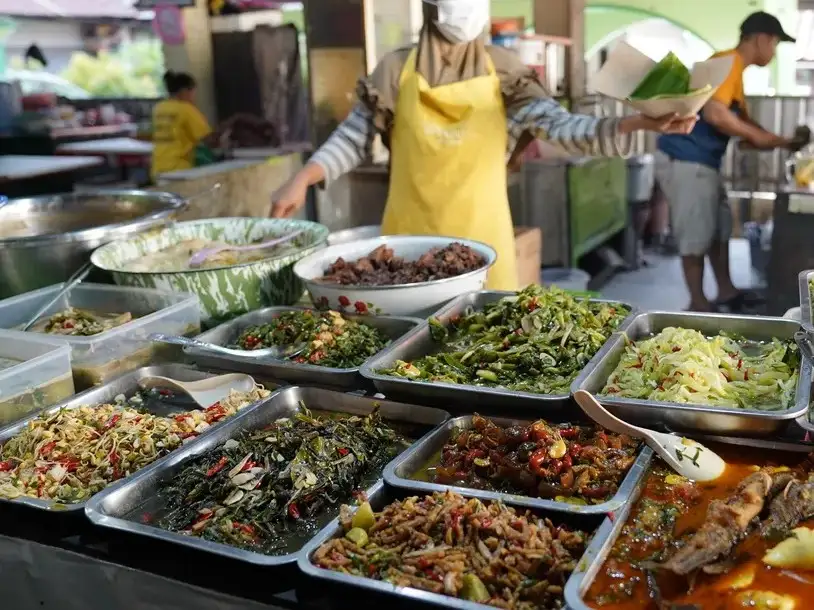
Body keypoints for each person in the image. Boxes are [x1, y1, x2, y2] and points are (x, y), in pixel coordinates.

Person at [270, 0, 695, 290]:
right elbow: (351, 138)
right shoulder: (395, 70)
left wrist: (638, 121)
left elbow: (562, 128)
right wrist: (304, 178)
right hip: (403, 254)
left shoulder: (505, 70)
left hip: (485, 250)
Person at [655, 11, 796, 312]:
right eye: (774, 44)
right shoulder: (725, 62)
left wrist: (782, 141)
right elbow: (715, 115)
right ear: (761, 39)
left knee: (719, 229)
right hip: (685, 159)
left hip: (704, 162)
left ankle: (726, 292)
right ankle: (697, 303)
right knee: (694, 236)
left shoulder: (734, 72)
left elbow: (745, 130)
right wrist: (762, 138)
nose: (773, 51)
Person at [151, 71, 214, 179]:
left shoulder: (159, 108)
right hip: (179, 170)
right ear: (185, 91)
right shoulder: (186, 109)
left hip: (158, 169)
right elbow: (208, 139)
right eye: (194, 92)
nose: (194, 97)